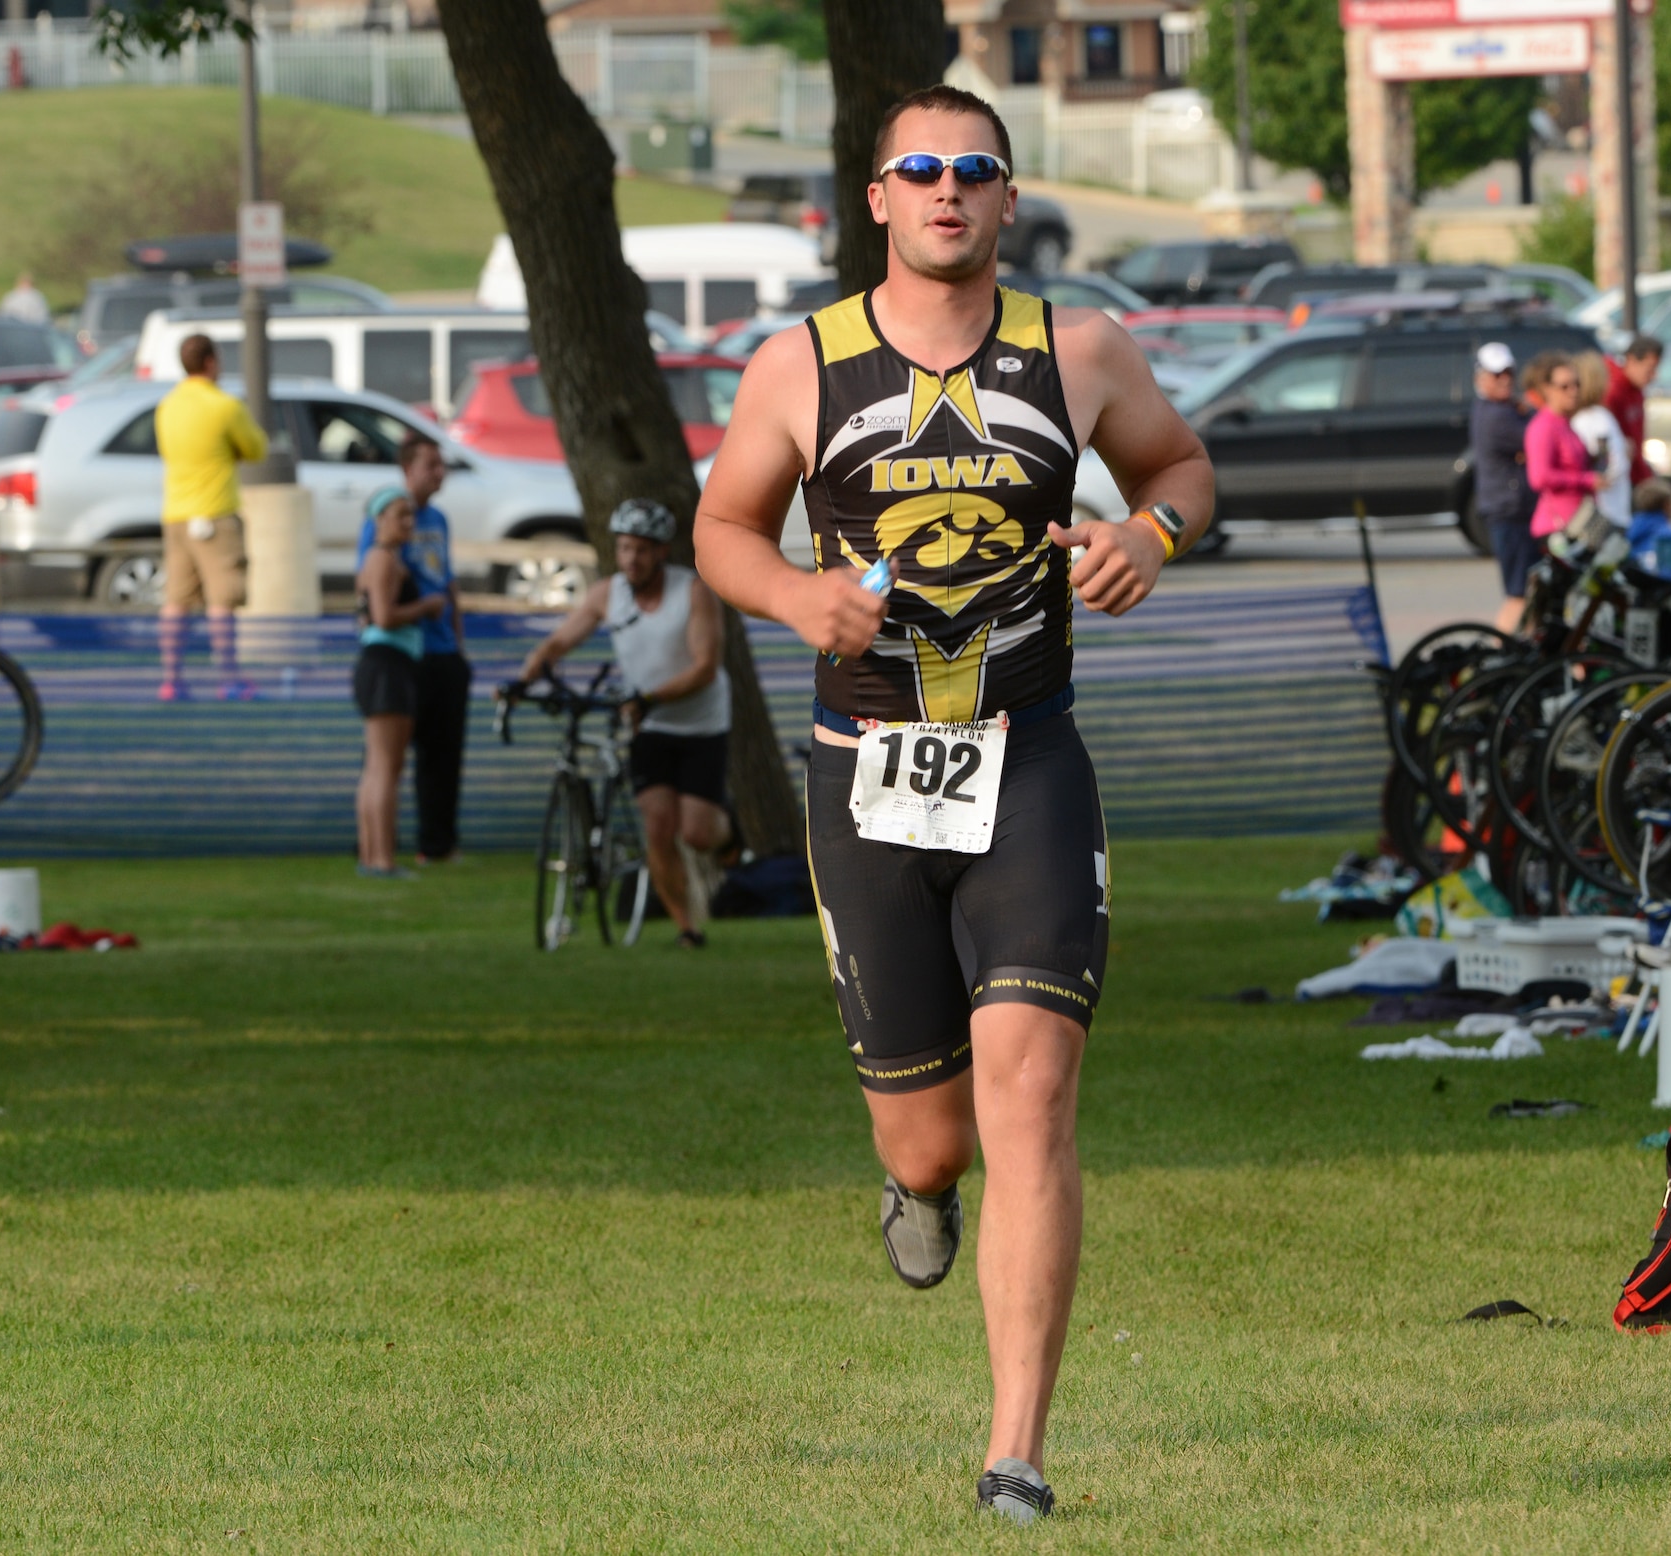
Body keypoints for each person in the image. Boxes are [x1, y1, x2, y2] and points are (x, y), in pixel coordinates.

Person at [690, 83, 1215, 1522]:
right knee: (931, 1137)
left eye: (973, 171)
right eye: (918, 169)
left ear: (1007, 195)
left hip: (1029, 759)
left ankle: (1016, 1453)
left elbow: (1181, 468)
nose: (946, 191)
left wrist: (1149, 535)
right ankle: (917, 1191)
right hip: (866, 775)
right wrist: (797, 591)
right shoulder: (801, 367)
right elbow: (720, 528)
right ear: (875, 196)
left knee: (1033, 1093)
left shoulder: (1080, 350)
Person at [517, 499, 734, 948]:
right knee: (657, 823)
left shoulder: (692, 592)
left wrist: (649, 697)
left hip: (700, 724)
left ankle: (732, 833)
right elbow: (559, 641)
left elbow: (705, 668)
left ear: (661, 551)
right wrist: (524, 678)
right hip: (648, 725)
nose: (631, 559)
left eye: (641, 549)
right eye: (624, 548)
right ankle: (686, 928)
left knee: (695, 832)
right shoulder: (607, 594)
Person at [355, 432, 471, 865]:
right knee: (385, 762)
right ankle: (376, 853)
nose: (439, 474)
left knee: (436, 756)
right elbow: (376, 607)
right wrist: (422, 606)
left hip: (435, 650)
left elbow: (449, 581)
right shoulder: (383, 536)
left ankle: (431, 844)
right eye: (430, 465)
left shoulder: (438, 520)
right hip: (395, 658)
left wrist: (457, 642)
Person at [154, 334, 269, 702]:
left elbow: (166, 450)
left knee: (176, 601)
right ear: (211, 362)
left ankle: (172, 679)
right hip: (216, 512)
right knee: (222, 601)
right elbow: (256, 448)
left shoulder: (167, 406)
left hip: (176, 514)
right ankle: (229, 678)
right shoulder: (224, 406)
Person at [353, 488, 445, 879]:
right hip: (388, 665)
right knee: (387, 768)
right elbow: (383, 617)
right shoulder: (382, 561)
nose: (408, 523)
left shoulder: (382, 560)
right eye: (399, 515)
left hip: (383, 665)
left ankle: (372, 857)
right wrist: (427, 606)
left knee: (377, 767)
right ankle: (383, 859)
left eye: (410, 516)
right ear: (379, 521)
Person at [1469, 341, 1537, 634]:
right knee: (1518, 595)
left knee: (1530, 593)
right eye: (1497, 374)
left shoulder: (1500, 410)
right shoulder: (1496, 416)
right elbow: (1535, 440)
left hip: (1513, 509)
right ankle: (1499, 653)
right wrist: (1530, 412)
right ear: (1480, 378)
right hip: (1510, 512)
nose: (1505, 379)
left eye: (1509, 372)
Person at [1524, 351, 1601, 545]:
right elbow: (1539, 477)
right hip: (1557, 527)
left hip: (1580, 522)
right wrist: (1586, 480)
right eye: (1564, 386)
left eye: (1576, 384)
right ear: (1547, 389)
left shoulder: (1565, 423)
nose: (1573, 391)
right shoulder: (1543, 426)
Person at [1570, 351, 1633, 533]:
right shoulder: (1598, 419)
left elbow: (1607, 465)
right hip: (1609, 513)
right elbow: (1611, 465)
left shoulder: (1589, 419)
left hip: (1602, 514)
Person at [1605, 334, 1663, 489]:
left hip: (1636, 474)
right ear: (1631, 360)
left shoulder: (1637, 391)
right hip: (1620, 478)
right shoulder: (1613, 392)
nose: (1653, 376)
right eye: (1649, 369)